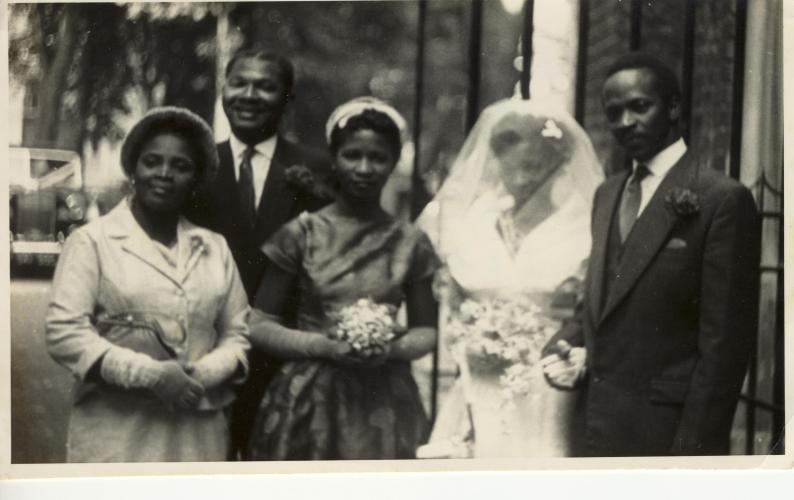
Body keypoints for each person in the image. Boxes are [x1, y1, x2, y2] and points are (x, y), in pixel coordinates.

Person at [542, 52, 761, 456]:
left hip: (664, 436)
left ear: (673, 108)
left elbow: (724, 349)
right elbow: (601, 300)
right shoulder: (607, 194)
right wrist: (564, 345)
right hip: (594, 430)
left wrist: (691, 457)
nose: (625, 122)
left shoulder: (721, 200)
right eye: (614, 113)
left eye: (640, 106)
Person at [45, 107, 250, 462]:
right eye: (152, 162)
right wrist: (150, 375)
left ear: (196, 178)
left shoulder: (213, 247)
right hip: (118, 434)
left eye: (181, 166)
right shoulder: (92, 241)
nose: (164, 174)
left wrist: (199, 374)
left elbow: (237, 334)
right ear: (133, 169)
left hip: (198, 432)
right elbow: (64, 333)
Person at [245, 97, 440, 460]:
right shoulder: (302, 233)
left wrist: (387, 349)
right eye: (352, 155)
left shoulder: (411, 241)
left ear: (394, 162)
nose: (364, 168)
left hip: (383, 400)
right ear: (334, 158)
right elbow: (259, 324)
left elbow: (426, 331)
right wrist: (323, 346)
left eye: (378, 158)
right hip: (309, 399)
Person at [415, 99, 603, 458]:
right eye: (510, 163)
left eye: (534, 166)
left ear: (560, 162)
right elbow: (452, 307)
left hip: (549, 381)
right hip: (482, 375)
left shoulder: (583, 224)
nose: (522, 178)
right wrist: (472, 340)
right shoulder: (474, 222)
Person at [186, 47, 331, 456]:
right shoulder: (195, 166)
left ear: (287, 99)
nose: (249, 95)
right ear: (224, 90)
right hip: (206, 353)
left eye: (265, 87)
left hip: (285, 362)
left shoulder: (318, 169)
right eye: (239, 83)